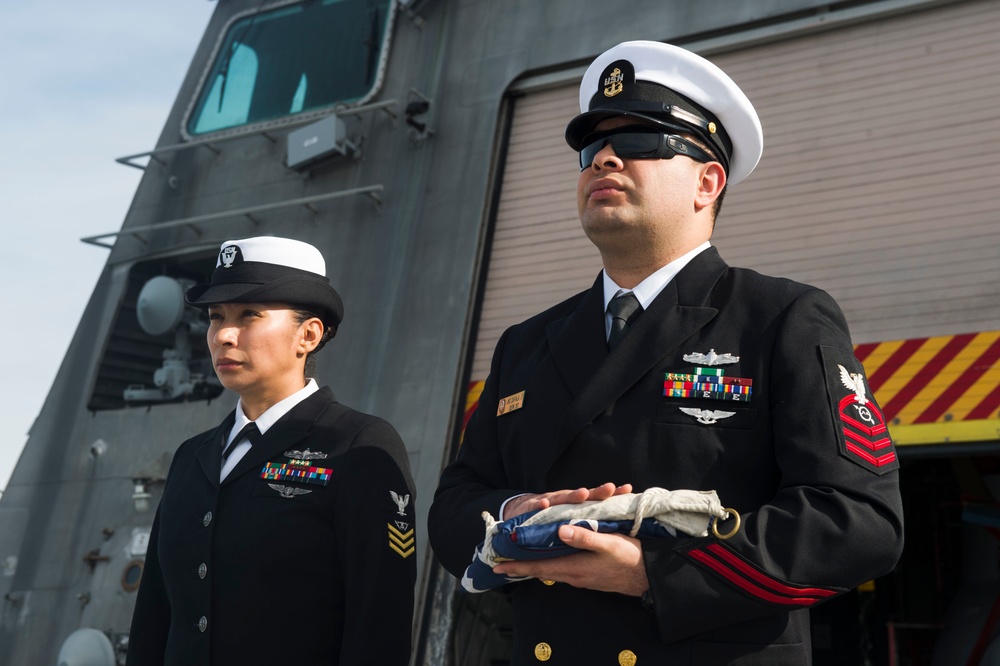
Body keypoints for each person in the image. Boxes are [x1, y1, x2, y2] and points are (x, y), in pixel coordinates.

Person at [428, 40, 903, 665]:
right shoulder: (527, 342)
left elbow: (860, 522)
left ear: (708, 182)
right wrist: (520, 513)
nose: (604, 157)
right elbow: (455, 506)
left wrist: (655, 572)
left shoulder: (780, 318)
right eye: (589, 147)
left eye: (643, 141)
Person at [126, 236, 416, 666]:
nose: (223, 334)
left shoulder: (357, 445)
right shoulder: (193, 457)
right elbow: (154, 616)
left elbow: (378, 625)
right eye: (215, 317)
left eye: (249, 315)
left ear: (309, 334)